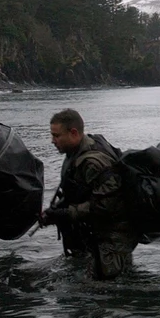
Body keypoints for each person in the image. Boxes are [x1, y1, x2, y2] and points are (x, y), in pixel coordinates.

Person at [40, 109, 140, 280]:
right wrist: (54, 213)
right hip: (97, 234)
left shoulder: (93, 162)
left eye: (56, 136)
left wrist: (64, 214)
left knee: (107, 286)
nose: (52, 141)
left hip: (113, 236)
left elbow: (107, 205)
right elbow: (79, 191)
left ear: (73, 133)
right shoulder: (76, 153)